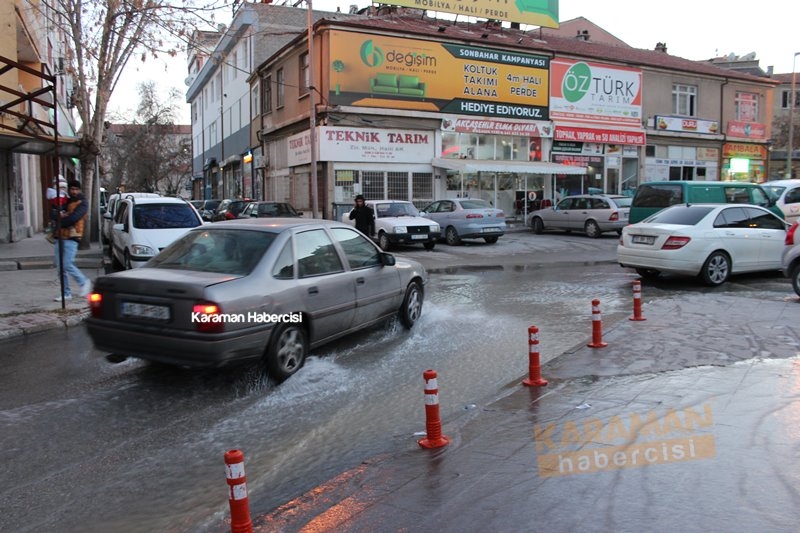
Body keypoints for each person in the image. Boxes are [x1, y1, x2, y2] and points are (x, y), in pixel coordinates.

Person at [52, 179, 92, 301]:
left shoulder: (83, 202)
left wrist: (61, 219)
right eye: (72, 189)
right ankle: (66, 293)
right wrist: (59, 214)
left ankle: (84, 282)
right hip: (60, 236)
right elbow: (53, 214)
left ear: (79, 190)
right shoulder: (65, 200)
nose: (74, 191)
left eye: (76, 189)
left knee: (67, 264)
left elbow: (73, 218)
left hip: (72, 237)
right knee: (60, 268)